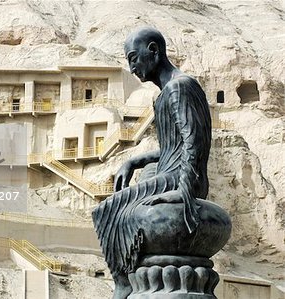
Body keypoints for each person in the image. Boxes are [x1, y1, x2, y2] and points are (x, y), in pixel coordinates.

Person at [92, 27, 212, 298]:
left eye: (134, 58)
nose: (132, 68)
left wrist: (184, 190)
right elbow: (173, 146)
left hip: (181, 177)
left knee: (107, 210)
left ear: (154, 51)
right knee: (130, 190)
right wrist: (134, 161)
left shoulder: (180, 86)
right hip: (171, 170)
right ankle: (127, 277)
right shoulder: (166, 93)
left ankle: (122, 281)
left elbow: (194, 143)